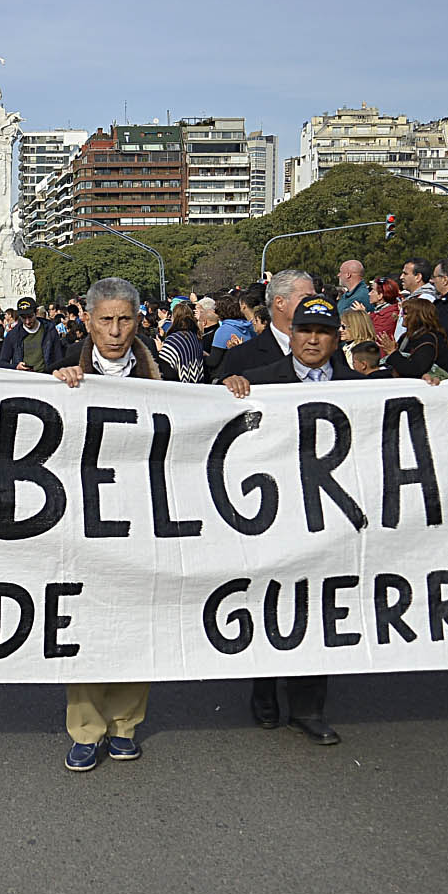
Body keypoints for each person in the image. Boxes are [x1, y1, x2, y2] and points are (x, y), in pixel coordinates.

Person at [219, 295, 361, 746]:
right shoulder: (259, 382)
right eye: (304, 331)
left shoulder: (361, 387)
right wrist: (230, 387)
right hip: (275, 516)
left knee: (318, 608)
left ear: (337, 338)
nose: (313, 339)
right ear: (292, 336)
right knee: (272, 604)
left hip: (330, 519)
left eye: (322, 332)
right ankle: (264, 691)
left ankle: (308, 708)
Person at [49, 278, 165, 770]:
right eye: (105, 320)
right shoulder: (56, 373)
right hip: (83, 515)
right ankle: (86, 728)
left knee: (136, 619)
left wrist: (232, 391)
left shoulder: (166, 375)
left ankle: (125, 724)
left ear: (138, 321)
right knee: (84, 619)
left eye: (124, 320)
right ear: (88, 322)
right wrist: (53, 387)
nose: (115, 331)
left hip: (143, 514)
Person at [213, 270, 312, 381]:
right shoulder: (241, 356)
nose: (314, 303)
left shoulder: (328, 353)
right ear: (280, 302)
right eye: (306, 298)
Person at [382, 297, 448, 378]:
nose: (402, 316)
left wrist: (392, 352)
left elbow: (415, 369)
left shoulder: (428, 339)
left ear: (417, 316)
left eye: (405, 313)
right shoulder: (406, 336)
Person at [0, 296, 65, 373]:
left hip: (46, 377)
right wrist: (16, 366)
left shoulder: (49, 329)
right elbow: (2, 362)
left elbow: (58, 356)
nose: (27, 321)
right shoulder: (12, 335)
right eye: (23, 318)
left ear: (36, 312)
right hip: (24, 379)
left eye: (30, 317)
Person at [153, 304, 205, 383]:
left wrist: (159, 350)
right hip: (197, 384)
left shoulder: (173, 340)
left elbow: (165, 369)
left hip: (180, 386)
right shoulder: (195, 336)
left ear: (174, 318)